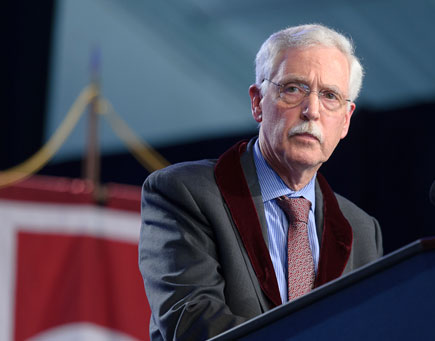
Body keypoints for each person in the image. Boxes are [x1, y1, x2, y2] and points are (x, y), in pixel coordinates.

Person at [138, 24, 383, 341]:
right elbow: (194, 324)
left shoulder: (362, 229)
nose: (312, 110)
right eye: (294, 89)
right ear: (257, 102)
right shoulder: (183, 193)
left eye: (330, 96)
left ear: (346, 120)